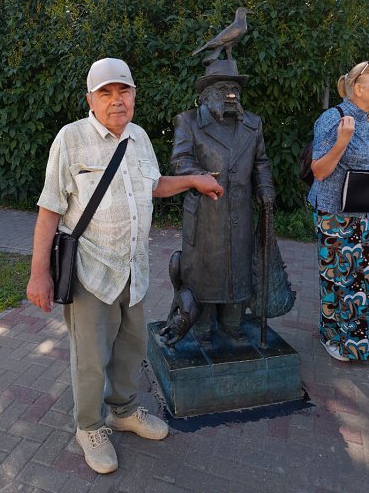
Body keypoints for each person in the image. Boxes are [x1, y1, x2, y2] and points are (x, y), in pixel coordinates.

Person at [26, 57, 223, 474]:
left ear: (134, 95)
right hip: (89, 271)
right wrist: (38, 273)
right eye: (106, 93)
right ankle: (89, 427)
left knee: (131, 347)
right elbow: (49, 209)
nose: (117, 100)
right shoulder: (71, 139)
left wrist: (193, 179)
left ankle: (124, 410)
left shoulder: (139, 137)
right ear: (91, 100)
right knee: (91, 357)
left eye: (124, 91)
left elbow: (154, 186)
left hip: (133, 268)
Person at [169, 64, 275, 343]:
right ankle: (201, 326)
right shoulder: (189, 121)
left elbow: (261, 162)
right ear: (206, 95)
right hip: (206, 213)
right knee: (204, 271)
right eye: (223, 88)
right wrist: (200, 177)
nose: (231, 94)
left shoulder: (253, 123)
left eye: (235, 89)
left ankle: (232, 323)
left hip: (240, 212)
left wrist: (265, 189)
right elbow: (179, 160)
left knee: (237, 268)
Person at [308, 60, 369, 362]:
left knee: (360, 280)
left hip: (364, 211)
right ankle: (333, 338)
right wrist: (342, 141)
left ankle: (357, 341)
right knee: (338, 279)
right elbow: (319, 170)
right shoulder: (334, 118)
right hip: (335, 213)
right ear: (358, 88)